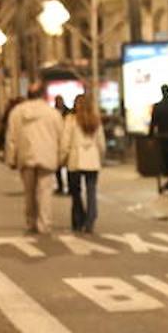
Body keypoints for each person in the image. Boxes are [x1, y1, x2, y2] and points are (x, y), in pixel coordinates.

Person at [5, 83, 64, 235]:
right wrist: (61, 158)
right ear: (43, 95)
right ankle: (44, 223)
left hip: (26, 156)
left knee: (29, 193)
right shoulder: (53, 113)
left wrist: (11, 158)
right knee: (45, 192)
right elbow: (61, 138)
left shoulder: (17, 112)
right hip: (47, 156)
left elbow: (11, 137)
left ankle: (31, 222)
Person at [63, 93, 104, 233]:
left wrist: (62, 157)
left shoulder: (71, 120)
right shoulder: (96, 120)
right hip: (92, 159)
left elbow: (65, 142)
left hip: (75, 159)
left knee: (76, 192)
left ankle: (78, 219)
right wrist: (100, 157)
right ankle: (91, 219)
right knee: (91, 191)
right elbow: (101, 143)